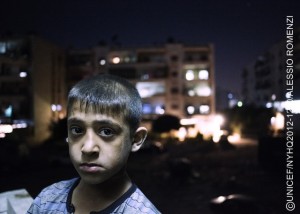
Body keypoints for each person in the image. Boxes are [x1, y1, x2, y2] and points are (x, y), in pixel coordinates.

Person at [27, 74, 160, 214]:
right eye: (77, 130)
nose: (88, 148)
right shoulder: (47, 199)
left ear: (136, 139)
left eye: (107, 131)